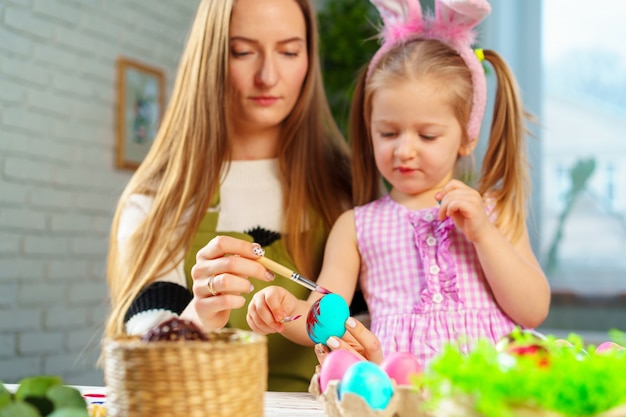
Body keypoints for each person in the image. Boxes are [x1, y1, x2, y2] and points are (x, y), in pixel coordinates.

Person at [246, 0, 551, 365]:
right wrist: (284, 312)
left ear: (467, 135)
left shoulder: (491, 211)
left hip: (493, 386)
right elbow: (323, 319)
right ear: (370, 130)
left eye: (427, 136)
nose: (404, 150)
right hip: (401, 386)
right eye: (389, 133)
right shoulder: (357, 227)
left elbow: (533, 310)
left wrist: (484, 234)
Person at [104, 0, 354, 391]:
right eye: (243, 51)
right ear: (211, 58)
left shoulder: (345, 191)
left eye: (289, 51)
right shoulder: (159, 198)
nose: (268, 76)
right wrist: (198, 315)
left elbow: (380, 324)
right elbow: (147, 368)